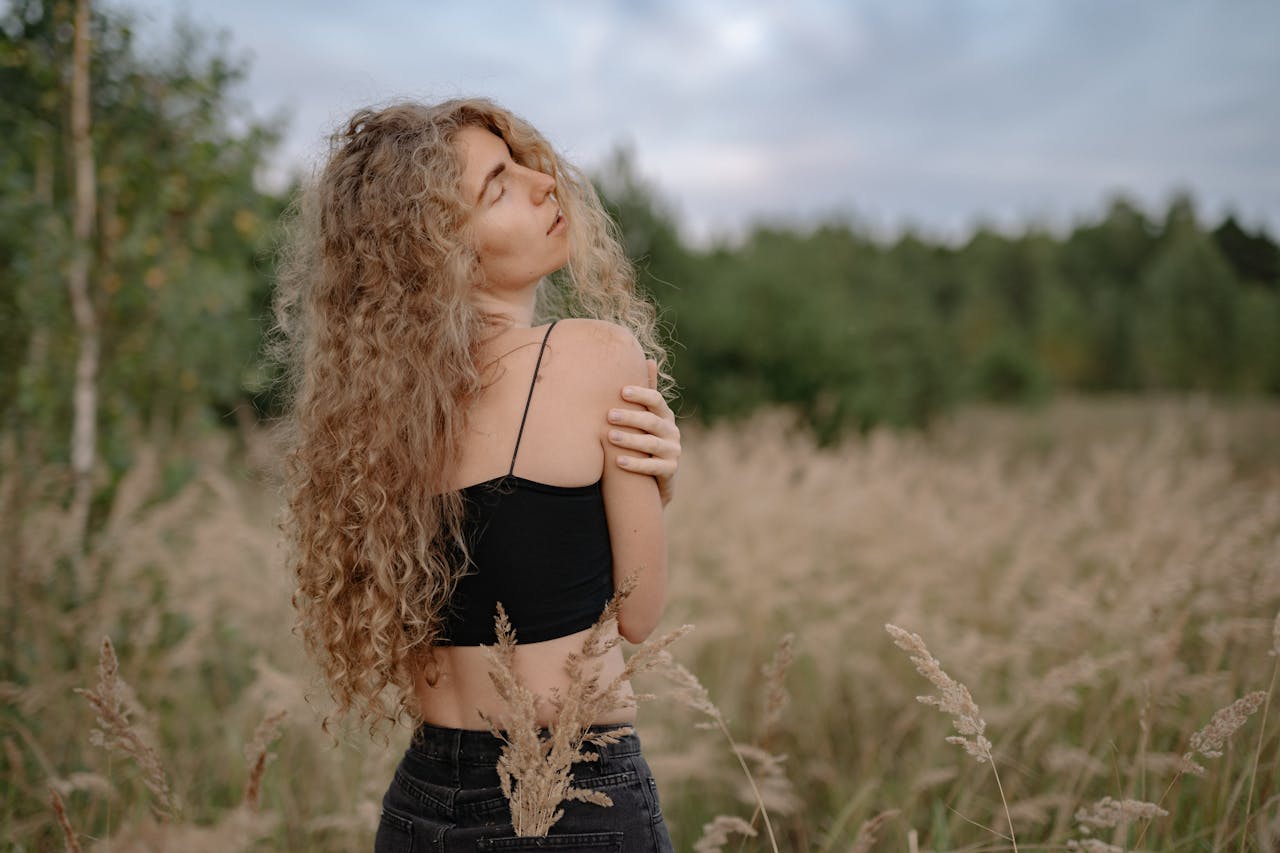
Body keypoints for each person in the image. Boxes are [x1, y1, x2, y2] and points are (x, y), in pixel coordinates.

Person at [274, 98, 679, 851]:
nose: (542, 183)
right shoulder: (598, 356)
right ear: (439, 250)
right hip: (572, 793)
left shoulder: (374, 426)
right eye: (497, 186)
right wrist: (657, 484)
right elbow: (640, 610)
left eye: (523, 161)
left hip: (422, 802)